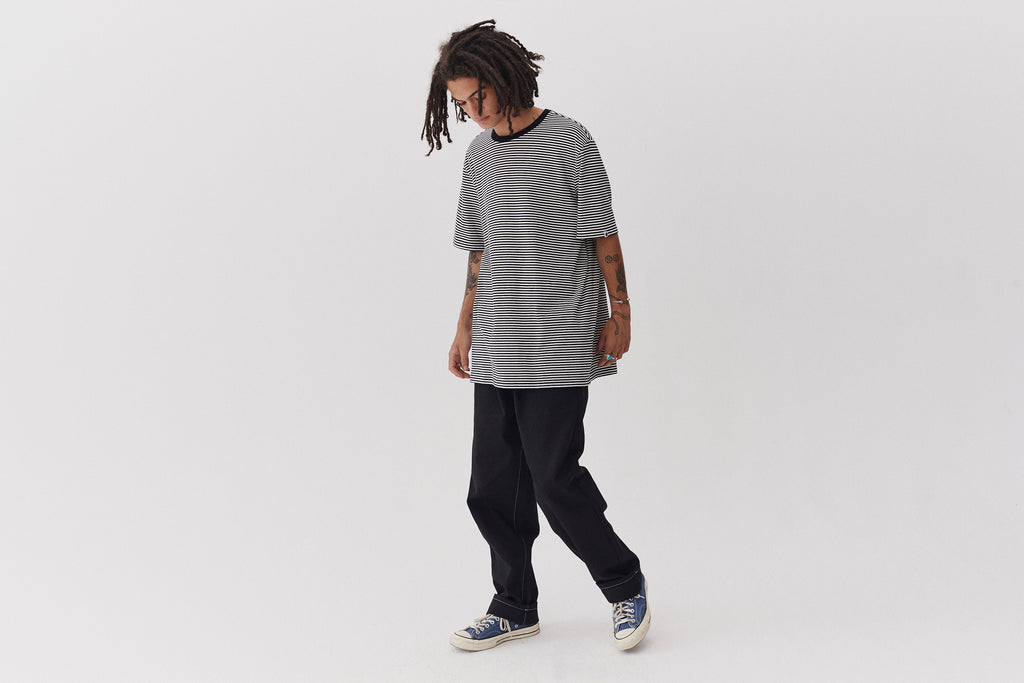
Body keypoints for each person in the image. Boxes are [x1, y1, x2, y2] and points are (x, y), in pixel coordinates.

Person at [422, 19, 650, 652]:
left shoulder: (570, 140)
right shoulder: (479, 155)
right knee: (492, 485)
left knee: (553, 478)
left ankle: (624, 583)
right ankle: (514, 604)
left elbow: (603, 232)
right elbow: (479, 251)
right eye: (461, 103)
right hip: (497, 339)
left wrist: (622, 310)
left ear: (504, 77)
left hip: (559, 333)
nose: (472, 112)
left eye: (478, 96)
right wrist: (463, 327)